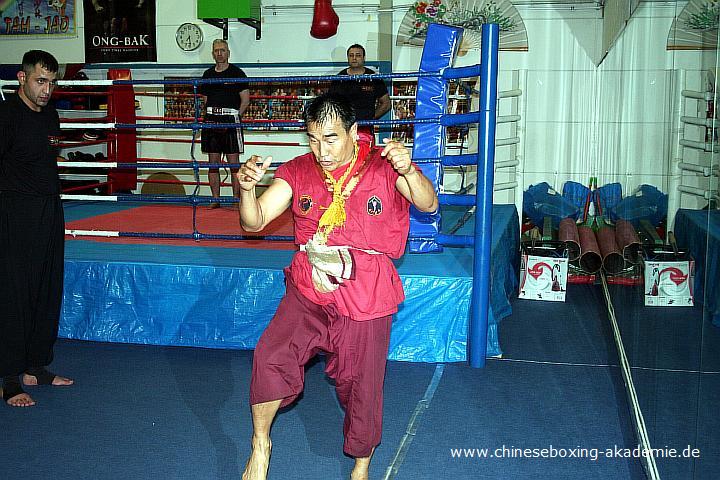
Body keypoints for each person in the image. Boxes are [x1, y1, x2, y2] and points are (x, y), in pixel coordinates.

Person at [237, 93, 438, 480]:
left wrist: (410, 171)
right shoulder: (298, 170)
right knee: (270, 354)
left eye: (330, 138)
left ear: (354, 132)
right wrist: (246, 189)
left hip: (366, 294)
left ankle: (361, 464)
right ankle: (260, 445)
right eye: (313, 139)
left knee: (360, 384)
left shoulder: (383, 165)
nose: (321, 150)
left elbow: (428, 204)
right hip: (310, 287)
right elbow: (254, 222)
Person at [0, 50, 74, 408]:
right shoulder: (5, 116)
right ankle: (9, 377)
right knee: (14, 293)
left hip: (49, 210)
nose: (47, 89)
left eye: (52, 82)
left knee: (46, 287)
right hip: (13, 214)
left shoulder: (51, 117)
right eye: (40, 81)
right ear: (21, 78)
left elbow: (46, 163)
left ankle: (34, 366)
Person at [199, 38, 251, 208]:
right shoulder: (208, 75)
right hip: (211, 119)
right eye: (216, 50)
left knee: (233, 164)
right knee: (213, 163)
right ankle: (215, 199)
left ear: (228, 53)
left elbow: (245, 100)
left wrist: (236, 117)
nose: (219, 53)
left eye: (222, 50)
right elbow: (205, 100)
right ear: (213, 53)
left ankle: (236, 200)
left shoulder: (237, 73)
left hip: (230, 119)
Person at [329, 44, 391, 140]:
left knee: (366, 154)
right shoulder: (339, 78)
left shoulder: (373, 78)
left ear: (363, 58)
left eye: (358, 55)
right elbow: (330, 104)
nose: (354, 58)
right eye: (351, 55)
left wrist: (372, 118)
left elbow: (386, 103)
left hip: (365, 127)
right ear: (348, 58)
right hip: (344, 127)